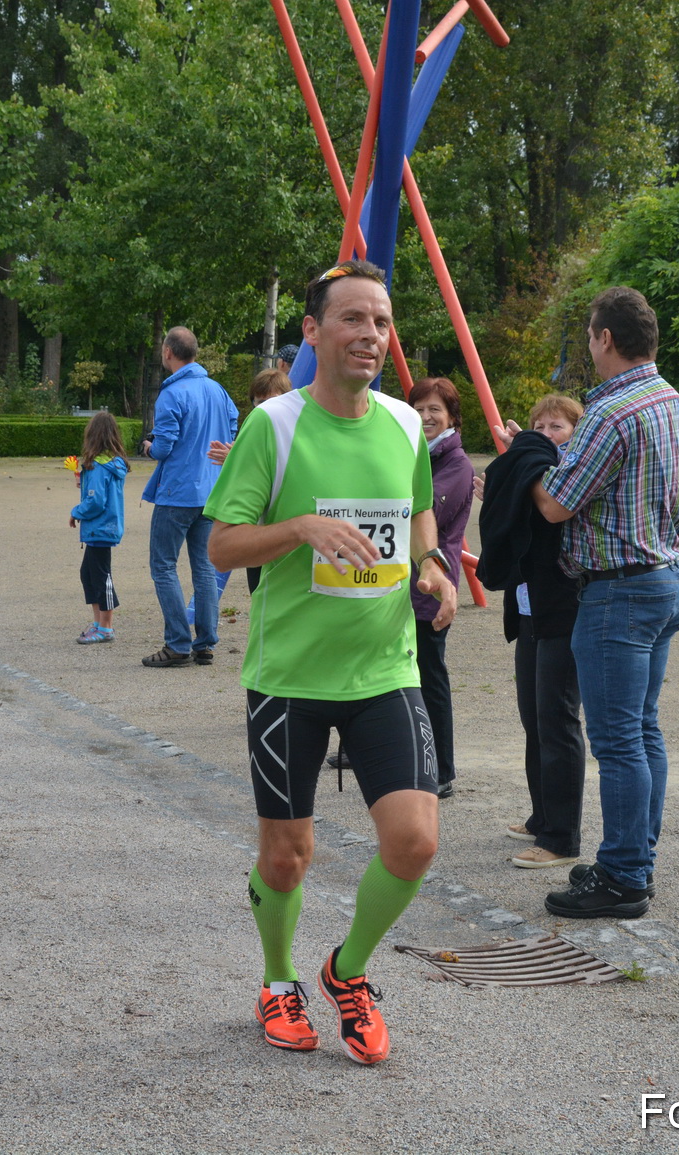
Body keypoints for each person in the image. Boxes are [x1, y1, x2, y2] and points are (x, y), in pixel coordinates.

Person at [206, 258, 458, 1065]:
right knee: (288, 854)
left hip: (386, 668)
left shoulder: (405, 424)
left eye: (381, 321)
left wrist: (433, 564)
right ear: (313, 332)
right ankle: (279, 979)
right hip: (291, 680)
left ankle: (345, 971)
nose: (371, 335)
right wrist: (300, 528)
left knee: (416, 840)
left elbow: (418, 512)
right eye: (352, 319)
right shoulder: (273, 426)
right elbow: (220, 543)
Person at [498, 286, 679, 920]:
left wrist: (523, 461)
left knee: (618, 743)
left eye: (589, 334)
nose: (589, 343)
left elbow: (556, 502)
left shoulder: (612, 413)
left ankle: (623, 875)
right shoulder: (671, 400)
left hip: (618, 593)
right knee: (643, 729)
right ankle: (635, 854)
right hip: (668, 577)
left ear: (605, 339)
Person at [476, 394, 588, 870]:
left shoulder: (574, 475)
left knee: (557, 718)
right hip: (528, 610)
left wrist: (521, 449)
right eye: (538, 425)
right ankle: (543, 815)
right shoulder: (534, 468)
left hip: (564, 607)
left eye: (556, 427)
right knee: (532, 716)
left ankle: (562, 838)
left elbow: (552, 514)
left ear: (576, 435)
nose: (544, 433)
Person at [139, 326, 237, 668]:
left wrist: (150, 447)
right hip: (212, 491)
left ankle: (177, 644)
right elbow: (233, 430)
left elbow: (164, 447)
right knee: (205, 568)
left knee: (163, 565)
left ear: (168, 352)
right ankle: (205, 643)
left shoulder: (172, 393)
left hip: (177, 492)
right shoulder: (217, 390)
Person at [406, 377, 473, 800]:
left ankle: (443, 768)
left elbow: (422, 511)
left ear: (451, 417)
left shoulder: (455, 463)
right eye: (419, 408)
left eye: (435, 410)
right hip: (403, 584)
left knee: (430, 678)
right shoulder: (417, 455)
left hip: (431, 588)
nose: (427, 417)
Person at [205, 366, 293, 595]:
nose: (266, 407)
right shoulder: (255, 426)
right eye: (259, 402)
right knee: (258, 590)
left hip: (287, 532)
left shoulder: (298, 429)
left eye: (272, 401)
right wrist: (236, 460)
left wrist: (237, 459)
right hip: (259, 530)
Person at [68, 411, 129, 644]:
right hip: (105, 527)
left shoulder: (98, 466)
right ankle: (98, 623)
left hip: (100, 528)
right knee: (89, 575)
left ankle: (106, 627)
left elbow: (95, 502)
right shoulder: (111, 463)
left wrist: (76, 511)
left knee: (102, 577)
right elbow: (99, 494)